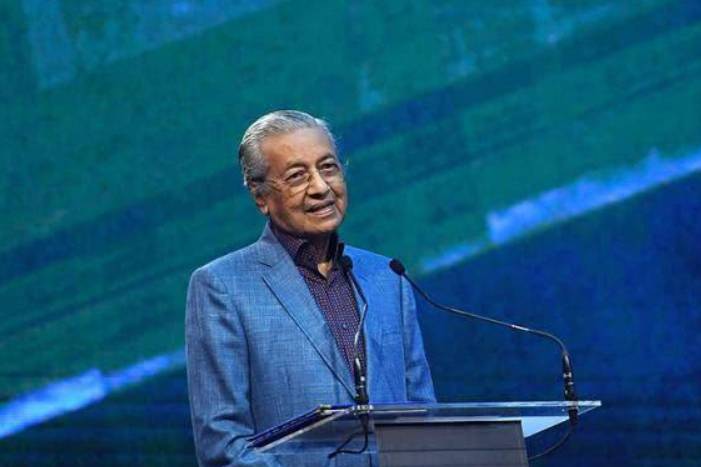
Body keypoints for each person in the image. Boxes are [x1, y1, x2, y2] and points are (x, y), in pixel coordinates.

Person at [185, 110, 435, 466]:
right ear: (260, 196)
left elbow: (425, 418)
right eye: (297, 176)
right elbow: (223, 445)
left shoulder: (387, 276)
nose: (320, 187)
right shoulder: (222, 287)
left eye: (328, 167)